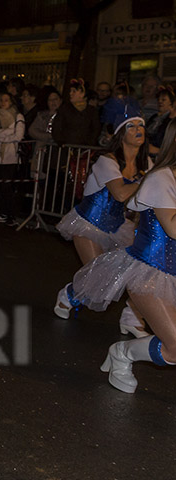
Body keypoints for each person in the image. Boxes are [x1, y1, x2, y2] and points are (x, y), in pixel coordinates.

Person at [71, 138, 176, 393]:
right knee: (175, 348)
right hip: (150, 271)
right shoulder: (161, 178)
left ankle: (130, 319)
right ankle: (123, 353)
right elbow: (173, 228)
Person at [55, 99, 151, 338]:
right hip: (89, 223)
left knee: (143, 270)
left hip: (119, 225)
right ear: (120, 132)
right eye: (131, 126)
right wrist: (149, 180)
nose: (138, 129)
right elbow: (119, 193)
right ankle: (68, 295)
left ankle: (132, 317)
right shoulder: (106, 161)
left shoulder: (145, 163)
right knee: (98, 282)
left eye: (141, 125)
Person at [0, 91, 25, 224]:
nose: (3, 103)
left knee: (7, 186)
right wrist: (8, 133)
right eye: (1, 100)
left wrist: (2, 135)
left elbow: (18, 136)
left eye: (6, 100)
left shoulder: (17, 116)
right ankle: (2, 212)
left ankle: (10, 214)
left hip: (10, 156)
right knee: (0, 186)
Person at [52, 78, 101, 148]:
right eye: (70, 91)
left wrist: (90, 143)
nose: (70, 93)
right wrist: (60, 141)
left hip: (84, 149)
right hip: (66, 147)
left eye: (74, 91)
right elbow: (56, 127)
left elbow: (96, 129)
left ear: (82, 94)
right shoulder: (64, 109)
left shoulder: (92, 111)